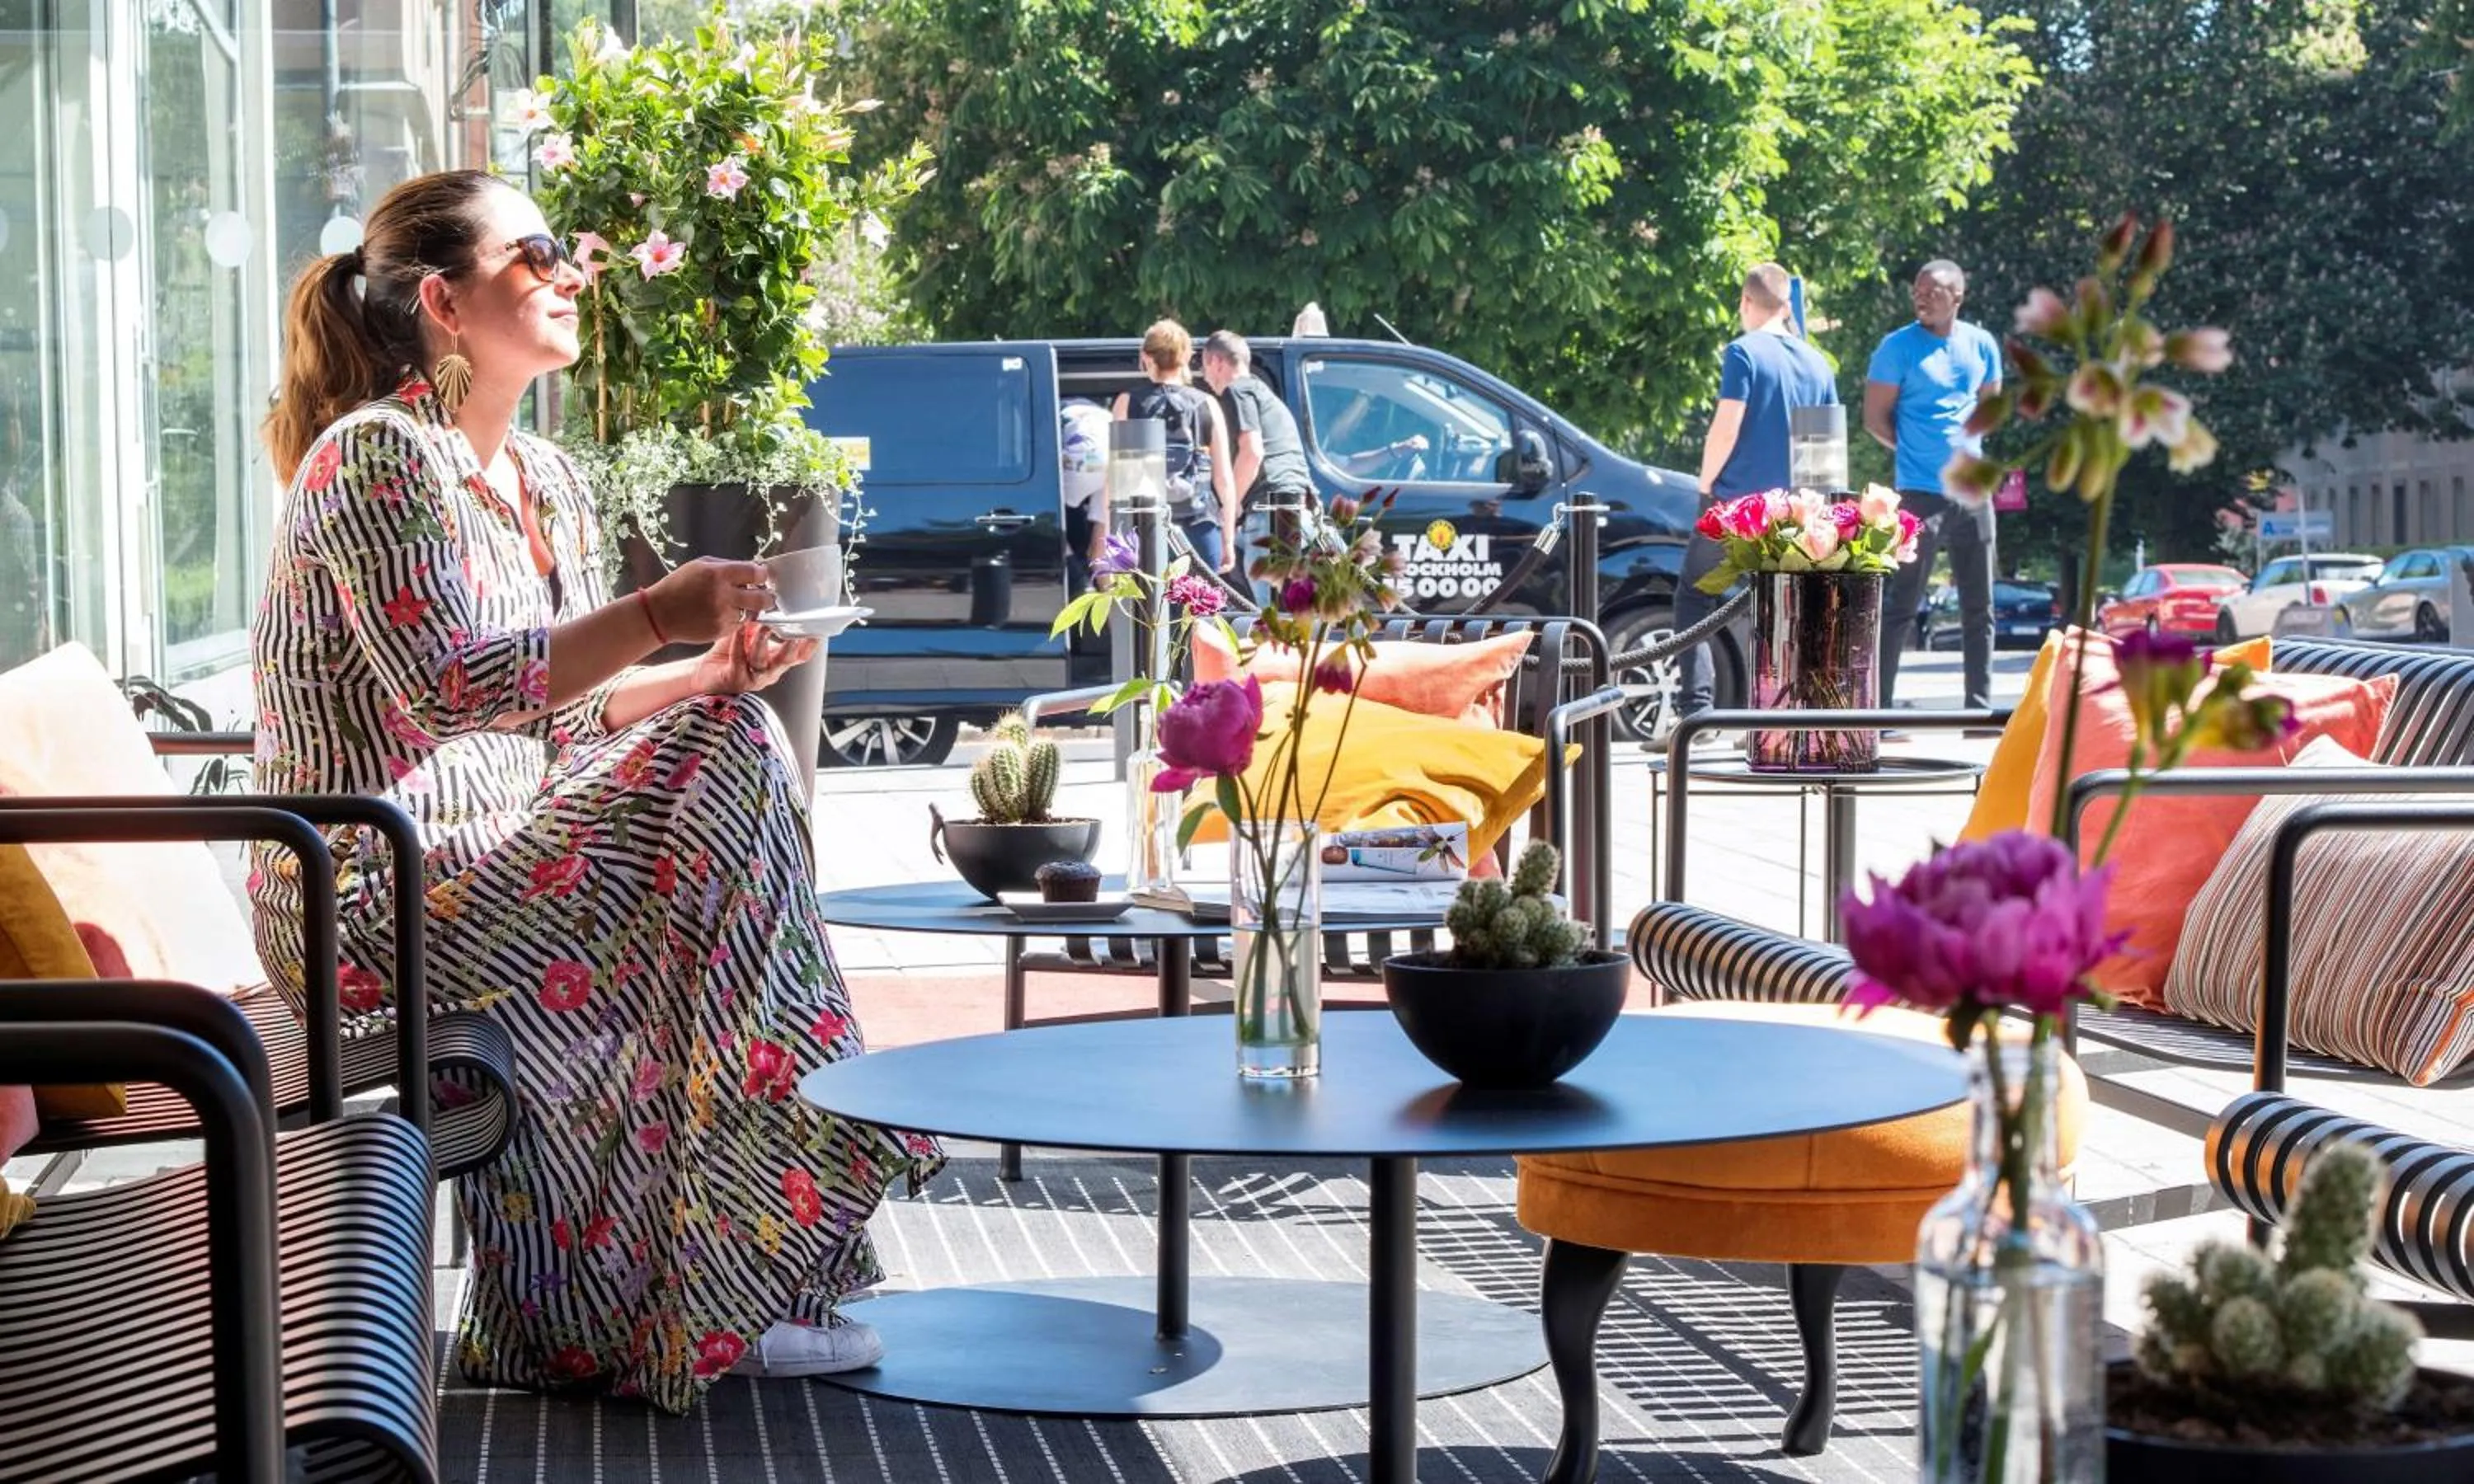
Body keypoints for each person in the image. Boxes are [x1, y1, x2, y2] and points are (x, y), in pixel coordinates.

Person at [249, 170, 940, 1414]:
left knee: (727, 725)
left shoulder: (548, 480)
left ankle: (683, 1291)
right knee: (726, 765)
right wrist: (655, 611)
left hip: (495, 859)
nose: (574, 271)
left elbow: (555, 720)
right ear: (447, 303)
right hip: (363, 887)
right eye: (539, 252)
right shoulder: (376, 461)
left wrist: (704, 666)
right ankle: (775, 1232)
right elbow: (451, 693)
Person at [1675, 263, 1840, 724]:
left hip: (1736, 506)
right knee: (1781, 607)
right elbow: (1824, 453)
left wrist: (1706, 487)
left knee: (1694, 596)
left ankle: (1697, 711)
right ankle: (1780, 713)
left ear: (1746, 303)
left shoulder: (1743, 353)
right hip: (1795, 510)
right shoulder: (1816, 362)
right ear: (1786, 305)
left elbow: (1725, 429)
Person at [1865, 258, 2004, 709]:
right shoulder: (1896, 348)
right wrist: (1916, 453)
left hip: (1972, 494)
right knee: (1900, 605)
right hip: (1919, 495)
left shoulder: (1982, 345)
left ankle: (1978, 708)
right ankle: (1880, 713)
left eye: (1933, 290)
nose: (1921, 297)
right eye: (1917, 291)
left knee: (1979, 608)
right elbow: (1874, 419)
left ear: (1958, 297)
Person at [1110, 320, 1236, 571]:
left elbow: (1117, 480)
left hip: (1144, 530)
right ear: (1188, 356)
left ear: (1146, 356)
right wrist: (1228, 540)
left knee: (1150, 609)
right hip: (1200, 528)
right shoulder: (1207, 404)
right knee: (1200, 608)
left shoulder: (1127, 403)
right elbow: (1223, 480)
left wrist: (1113, 537)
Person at [1198, 330, 1315, 575]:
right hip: (1295, 508)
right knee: (1290, 607)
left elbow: (1252, 452)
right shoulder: (1262, 393)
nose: (1205, 378)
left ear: (1216, 362)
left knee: (1271, 610)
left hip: (1270, 514)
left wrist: (1231, 507)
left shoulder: (1237, 391)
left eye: (1204, 367)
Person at [1059, 396, 1112, 593]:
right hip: (1111, 453)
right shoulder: (1102, 414)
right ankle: (1117, 615)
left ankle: (1079, 582)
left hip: (1080, 454)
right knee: (1100, 552)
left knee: (1043, 513)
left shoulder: (1057, 412)